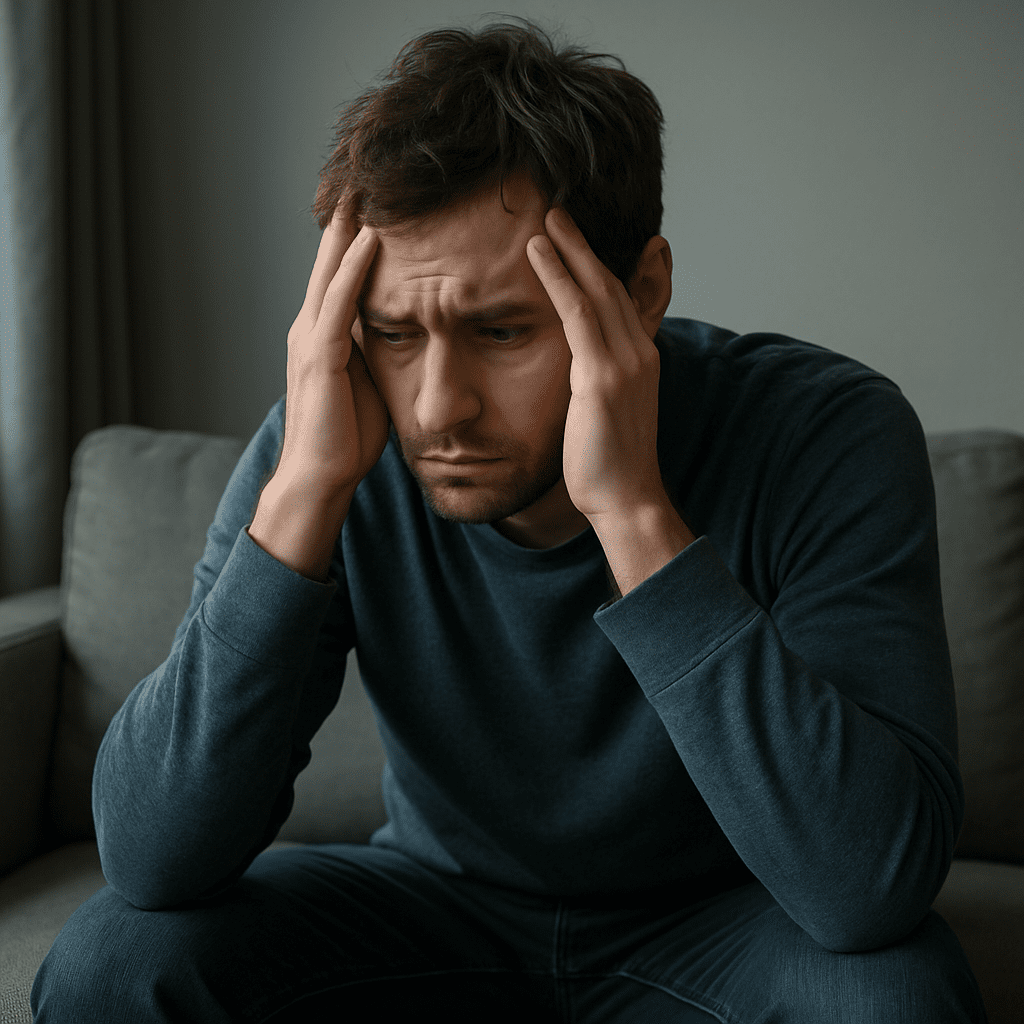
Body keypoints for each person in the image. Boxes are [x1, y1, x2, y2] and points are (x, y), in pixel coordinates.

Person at [33, 19, 987, 1023]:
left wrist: (631, 512)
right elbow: (149, 857)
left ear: (643, 290)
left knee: (894, 994)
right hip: (431, 913)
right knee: (115, 961)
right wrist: (304, 495)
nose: (438, 404)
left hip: (729, 926)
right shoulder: (332, 443)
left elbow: (867, 886)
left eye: (500, 331)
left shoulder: (824, 431)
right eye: (395, 333)